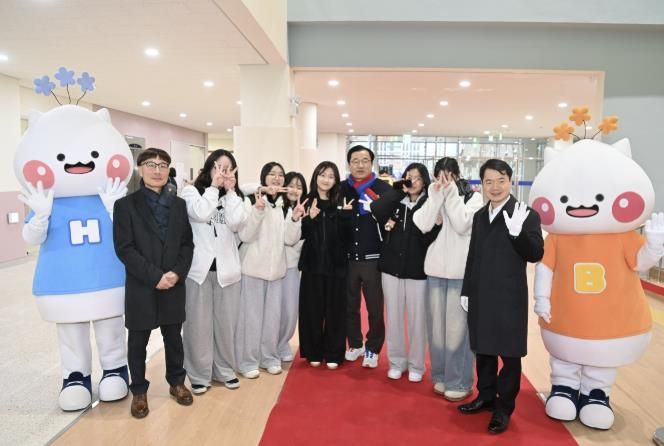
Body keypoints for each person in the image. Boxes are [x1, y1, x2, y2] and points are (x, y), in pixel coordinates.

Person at [457, 159, 543, 434]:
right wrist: (467, 290)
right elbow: (472, 256)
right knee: (483, 350)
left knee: (509, 354)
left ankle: (504, 408)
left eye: (501, 181)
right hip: (481, 294)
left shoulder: (526, 214)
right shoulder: (480, 216)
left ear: (510, 181)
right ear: (482, 184)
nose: (495, 187)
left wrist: (518, 235)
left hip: (508, 297)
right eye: (488, 182)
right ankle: (485, 396)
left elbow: (535, 254)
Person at [113, 147, 194, 419]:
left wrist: (177, 273)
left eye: (162, 165)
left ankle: (176, 382)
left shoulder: (179, 205)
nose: (157, 170)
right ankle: (139, 390)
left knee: (174, 338)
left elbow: (187, 244)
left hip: (173, 283)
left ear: (169, 170)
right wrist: (155, 277)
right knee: (138, 342)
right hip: (142, 285)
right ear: (140, 169)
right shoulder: (125, 205)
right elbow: (125, 249)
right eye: (151, 164)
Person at [413, 157, 483, 401]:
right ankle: (441, 376)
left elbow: (463, 225)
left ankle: (460, 381)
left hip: (460, 274)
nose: (443, 181)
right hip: (434, 271)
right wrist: (435, 197)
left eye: (448, 176)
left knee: (457, 333)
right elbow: (422, 224)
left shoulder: (473, 197)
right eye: (439, 176)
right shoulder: (433, 195)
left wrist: (451, 194)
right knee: (437, 332)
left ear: (456, 175)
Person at [180, 149, 249, 395]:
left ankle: (225, 370)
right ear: (209, 168)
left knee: (226, 325)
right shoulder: (191, 192)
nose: (223, 172)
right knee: (197, 326)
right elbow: (200, 214)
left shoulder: (236, 197)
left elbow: (237, 223)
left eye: (228, 168)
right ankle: (199, 374)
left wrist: (229, 192)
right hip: (198, 272)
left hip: (227, 272)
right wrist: (213, 187)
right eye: (218, 167)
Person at [371, 163, 439, 383]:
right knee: (394, 318)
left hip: (418, 271)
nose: (413, 181)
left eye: (417, 178)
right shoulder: (396, 202)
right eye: (409, 176)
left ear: (425, 181)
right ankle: (396, 362)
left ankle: (416, 365)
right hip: (391, 269)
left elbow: (431, 235)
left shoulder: (429, 204)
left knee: (418, 320)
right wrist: (399, 190)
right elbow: (376, 209)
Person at [236, 162, 304, 378]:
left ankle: (269, 357)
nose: (277, 178)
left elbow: (289, 239)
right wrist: (258, 209)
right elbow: (245, 235)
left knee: (272, 319)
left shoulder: (283, 206)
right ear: (264, 177)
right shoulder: (252, 199)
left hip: (276, 272)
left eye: (280, 175)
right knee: (251, 319)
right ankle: (248, 361)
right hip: (252, 270)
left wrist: (295, 218)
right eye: (272, 174)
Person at [340, 145, 391, 368]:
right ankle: (355, 343)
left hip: (374, 259)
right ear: (349, 164)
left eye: (364, 160)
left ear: (372, 163)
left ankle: (373, 347)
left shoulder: (383, 189)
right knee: (349, 306)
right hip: (348, 259)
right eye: (355, 161)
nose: (360, 165)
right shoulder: (342, 189)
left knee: (375, 308)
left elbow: (391, 221)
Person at [298, 162, 353, 369]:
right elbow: (300, 234)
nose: (326, 179)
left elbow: (348, 239)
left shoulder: (341, 201)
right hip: (312, 266)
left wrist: (346, 218)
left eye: (331, 176)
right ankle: (313, 351)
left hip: (337, 267)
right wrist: (310, 219)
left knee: (335, 312)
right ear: (316, 177)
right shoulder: (306, 200)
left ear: (335, 180)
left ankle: (334, 352)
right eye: (322, 175)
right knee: (311, 310)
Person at [279, 171, 308, 362]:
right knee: (273, 310)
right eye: (291, 185)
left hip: (292, 266)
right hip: (272, 265)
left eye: (299, 187)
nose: (295, 190)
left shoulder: (305, 209)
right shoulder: (275, 206)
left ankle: (282, 343)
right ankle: (269, 345)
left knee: (290, 310)